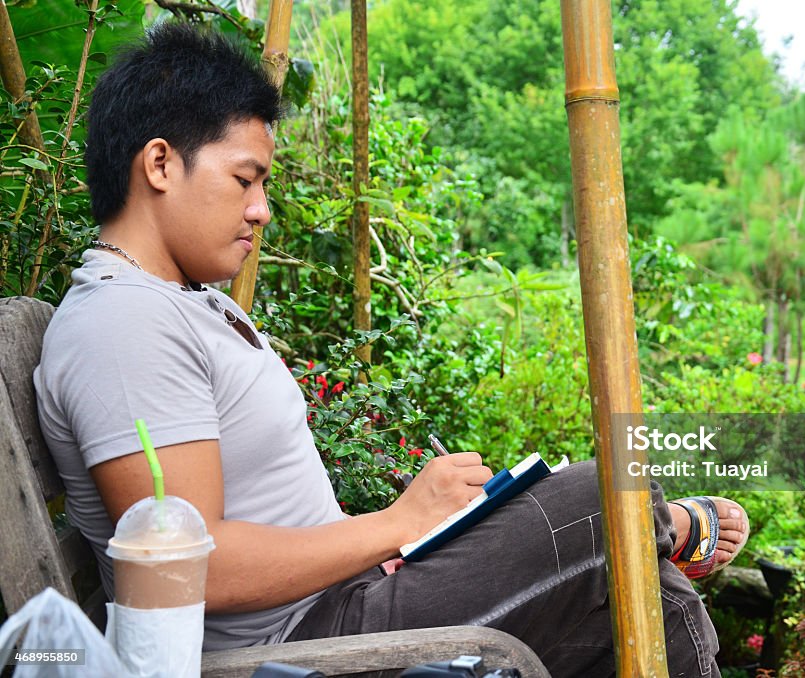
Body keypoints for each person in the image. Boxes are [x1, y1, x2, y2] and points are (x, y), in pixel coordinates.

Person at [33, 22, 748, 677]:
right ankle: (673, 525)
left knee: (644, 600)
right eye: (245, 179)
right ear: (160, 164)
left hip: (342, 603)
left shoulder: (179, 303)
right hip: (299, 650)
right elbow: (199, 571)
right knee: (601, 498)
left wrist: (407, 539)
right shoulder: (122, 325)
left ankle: (655, 538)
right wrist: (399, 523)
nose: (261, 209)